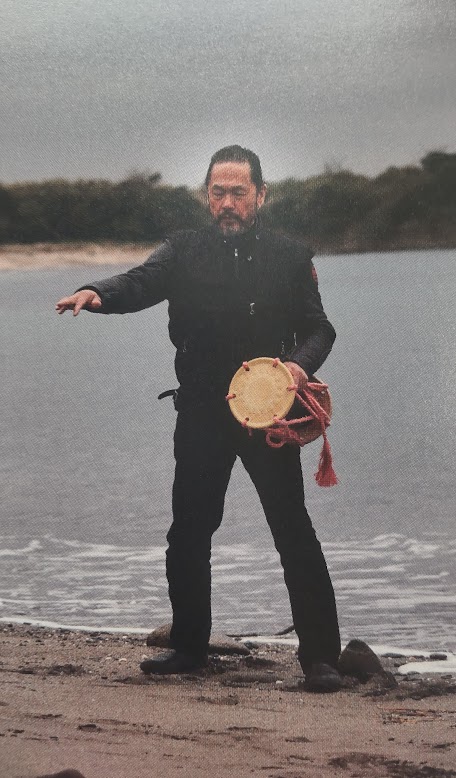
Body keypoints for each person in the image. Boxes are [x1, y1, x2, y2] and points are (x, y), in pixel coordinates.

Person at [56, 145, 342, 692]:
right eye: (218, 192)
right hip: (201, 409)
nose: (228, 202)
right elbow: (140, 281)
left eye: (238, 192)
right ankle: (189, 647)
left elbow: (320, 329)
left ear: (261, 195)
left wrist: (299, 368)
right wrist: (97, 292)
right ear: (206, 196)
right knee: (189, 529)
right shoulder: (184, 250)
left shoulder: (288, 256)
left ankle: (321, 658)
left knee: (292, 530)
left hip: (267, 413)